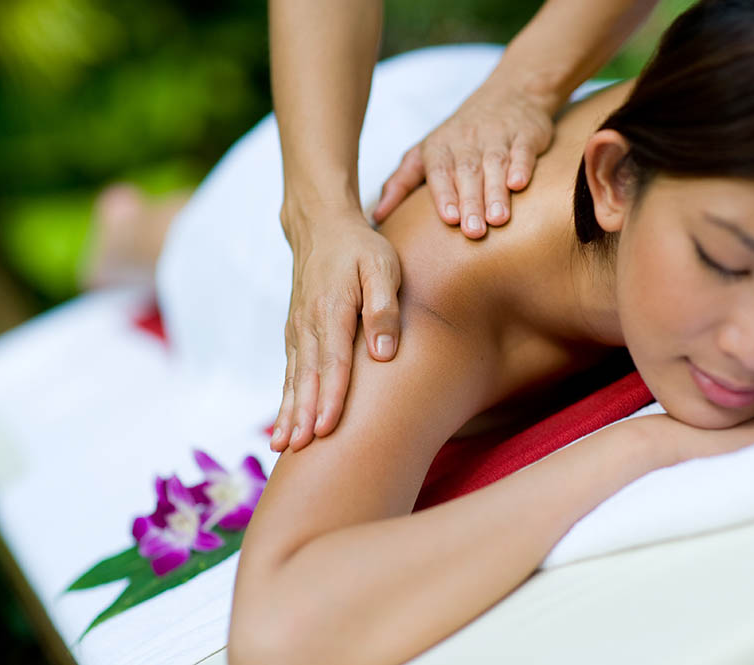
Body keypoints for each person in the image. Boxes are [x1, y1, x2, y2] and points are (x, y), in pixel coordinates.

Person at [225, 1, 754, 663]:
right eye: (724, 263)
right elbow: (281, 629)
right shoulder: (423, 299)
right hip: (269, 214)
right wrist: (641, 444)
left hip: (521, 94)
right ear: (615, 180)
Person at [269, 0, 661, 452]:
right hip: (358, 129)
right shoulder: (423, 280)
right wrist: (319, 219)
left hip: (515, 87)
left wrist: (523, 89)